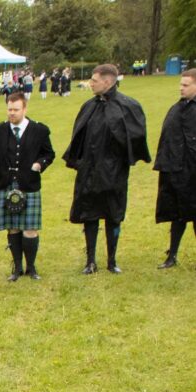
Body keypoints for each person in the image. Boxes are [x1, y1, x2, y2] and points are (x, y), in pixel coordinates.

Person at [63, 63, 150, 274]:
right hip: (90, 171)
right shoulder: (89, 107)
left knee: (113, 214)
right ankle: (90, 260)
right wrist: (80, 162)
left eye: (94, 80)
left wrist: (120, 158)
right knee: (90, 214)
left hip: (114, 172)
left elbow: (136, 137)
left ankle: (112, 260)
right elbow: (79, 136)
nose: (90, 84)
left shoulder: (127, 106)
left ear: (108, 81)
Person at [0, 92, 54, 281]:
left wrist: (40, 164)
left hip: (28, 184)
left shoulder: (39, 130)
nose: (12, 113)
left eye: (16, 110)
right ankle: (17, 269)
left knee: (30, 229)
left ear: (25, 109)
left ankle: (31, 268)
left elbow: (49, 154)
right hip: (6, 183)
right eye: (9, 109)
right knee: (13, 228)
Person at [154, 69, 196, 268]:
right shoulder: (176, 109)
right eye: (181, 84)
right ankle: (172, 255)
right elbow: (167, 140)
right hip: (176, 171)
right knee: (177, 215)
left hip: (193, 172)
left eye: (186, 85)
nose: (181, 88)